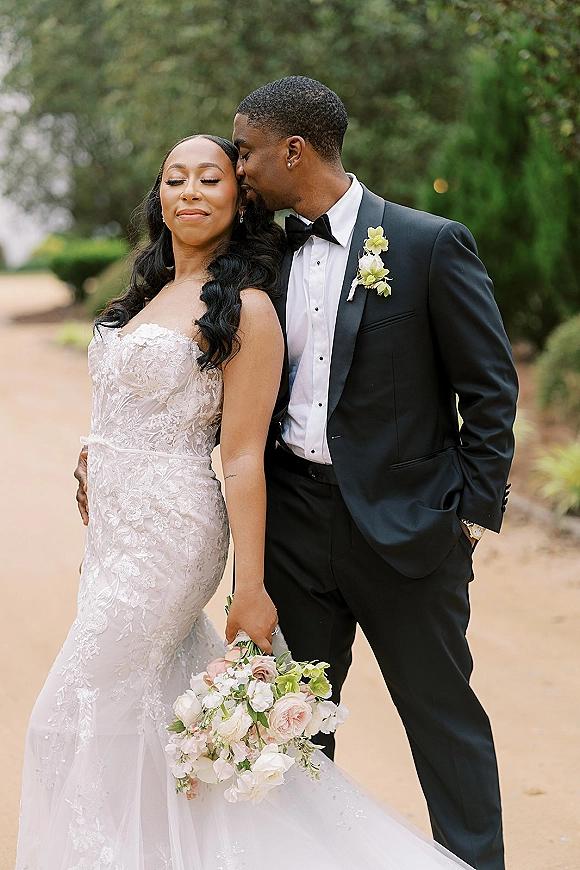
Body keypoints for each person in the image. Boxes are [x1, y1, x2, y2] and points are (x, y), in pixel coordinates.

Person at [18, 132, 477, 869]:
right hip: (112, 535)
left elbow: (240, 459)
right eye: (175, 178)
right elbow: (128, 403)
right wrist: (97, 455)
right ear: (158, 195)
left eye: (209, 179)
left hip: (173, 535)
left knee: (65, 715)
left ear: (239, 200)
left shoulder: (247, 309)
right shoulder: (145, 291)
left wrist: (251, 588)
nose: (190, 191)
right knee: (135, 715)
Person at [229, 77, 519, 870]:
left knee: (442, 720)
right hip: (293, 526)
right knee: (294, 726)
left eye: (247, 150)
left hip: (407, 529)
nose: (239, 166)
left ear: (295, 150)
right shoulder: (265, 256)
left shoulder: (429, 244)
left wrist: (468, 514)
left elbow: (489, 390)